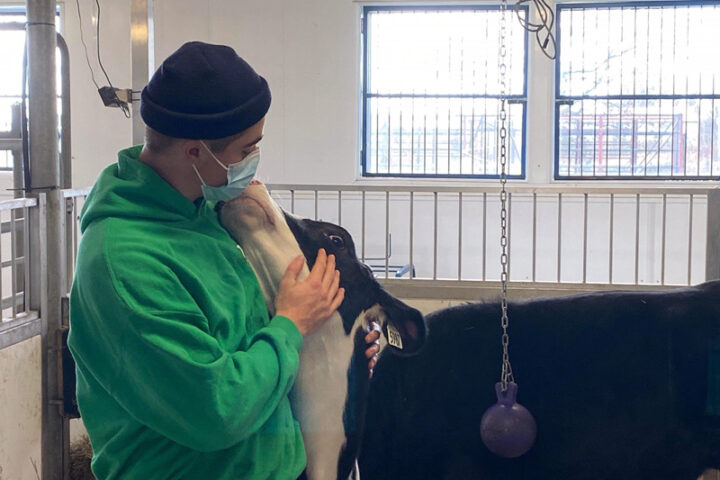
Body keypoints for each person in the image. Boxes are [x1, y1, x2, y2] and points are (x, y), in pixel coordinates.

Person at [68, 41, 380, 480]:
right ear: (196, 151)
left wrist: (331, 355)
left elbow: (251, 345)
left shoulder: (210, 214)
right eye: (247, 149)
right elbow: (218, 410)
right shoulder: (123, 263)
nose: (253, 162)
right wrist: (292, 326)